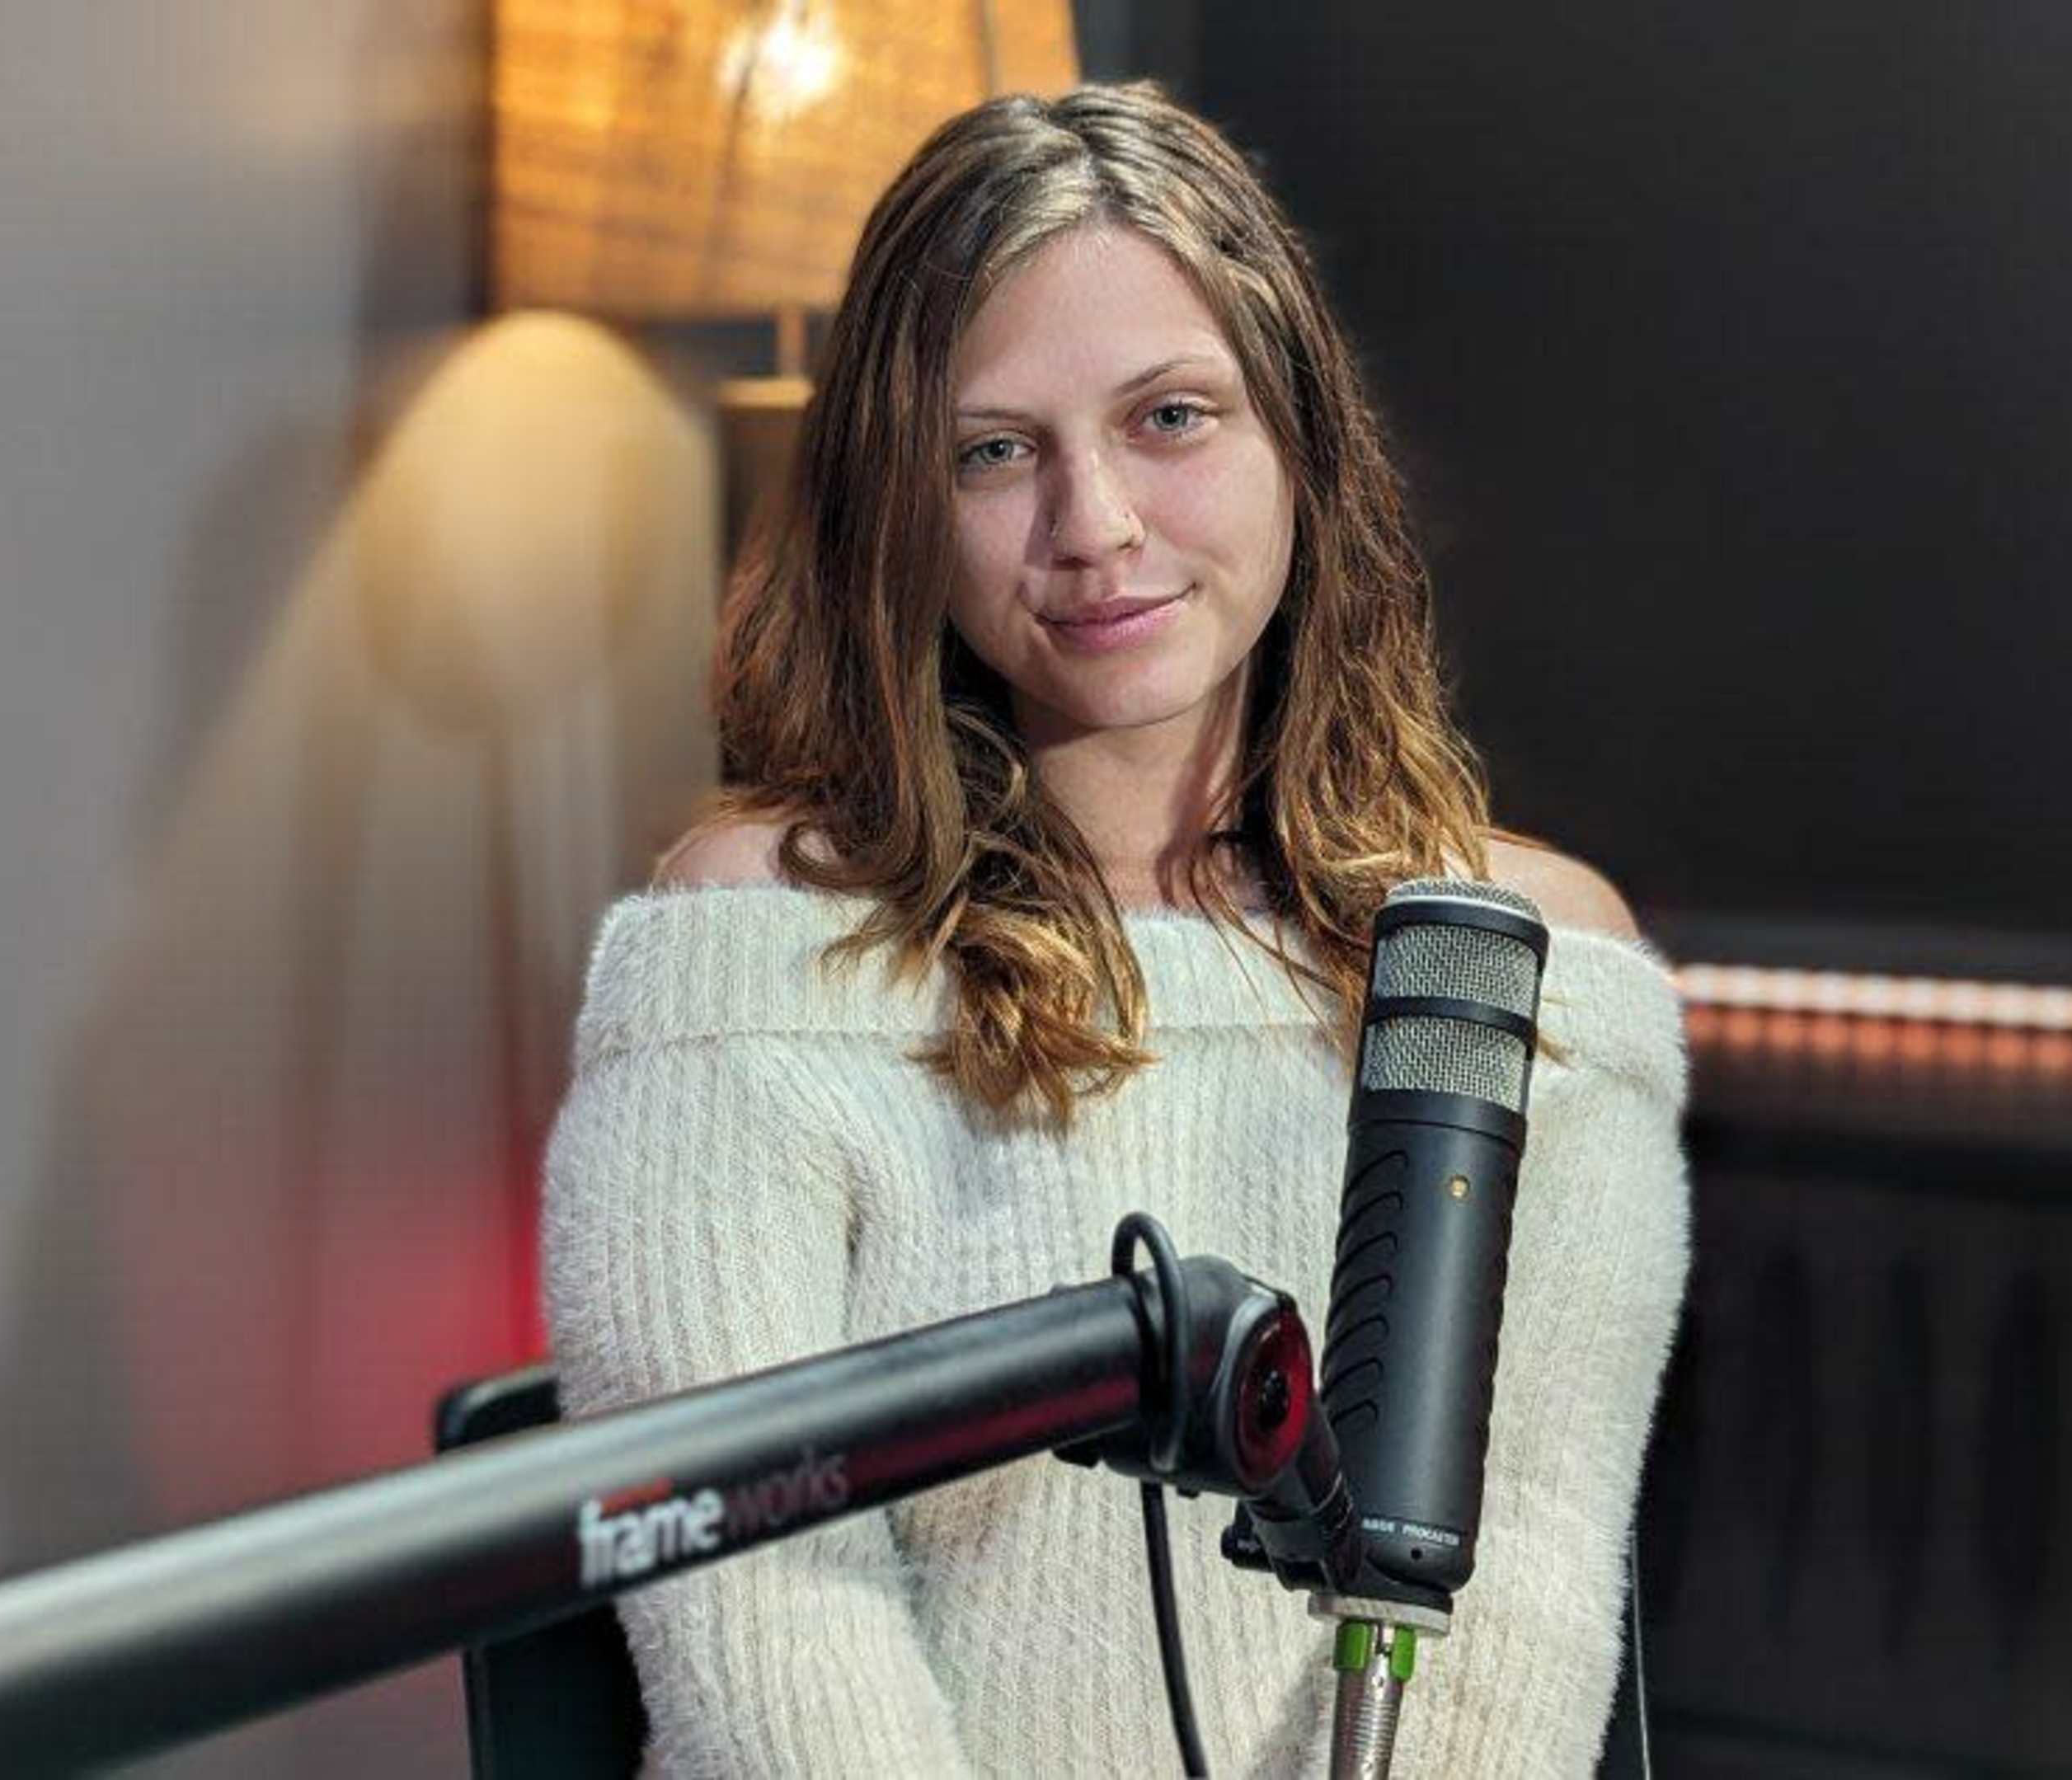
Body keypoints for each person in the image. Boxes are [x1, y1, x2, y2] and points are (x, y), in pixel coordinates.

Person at [541, 82, 1689, 1777]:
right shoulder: (755, 951)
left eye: (1169, 418)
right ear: (899, 508)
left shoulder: (1524, 964)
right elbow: (764, 1616)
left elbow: (1520, 1585)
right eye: (995, 451)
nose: (1096, 528)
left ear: (1299, 436)